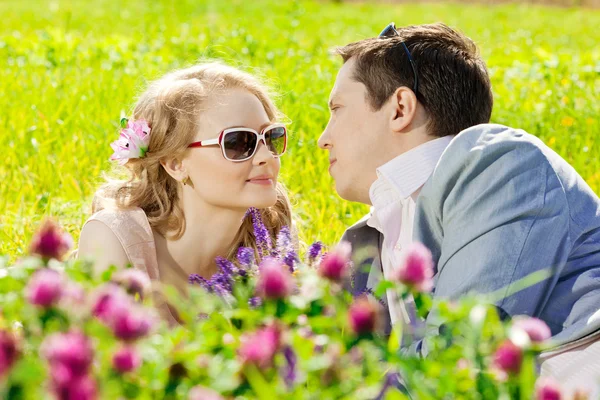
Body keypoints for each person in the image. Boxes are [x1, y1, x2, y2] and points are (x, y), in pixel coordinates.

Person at [318, 22, 600, 395]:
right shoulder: (365, 238)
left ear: (399, 108)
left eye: (337, 109)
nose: (323, 139)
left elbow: (457, 360)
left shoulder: (497, 163)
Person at [77, 62, 293, 323]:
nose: (265, 156)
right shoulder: (115, 238)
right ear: (175, 164)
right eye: (238, 142)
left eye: (270, 137)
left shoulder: (270, 234)